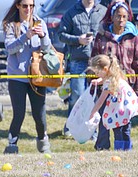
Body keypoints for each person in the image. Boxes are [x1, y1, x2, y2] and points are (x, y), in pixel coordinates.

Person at [2, 0, 51, 154]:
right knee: (19, 113)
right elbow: (9, 48)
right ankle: (12, 145)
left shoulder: (40, 22)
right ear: (18, 6)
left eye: (31, 6)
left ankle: (43, 143)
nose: (28, 9)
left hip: (37, 76)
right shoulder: (11, 25)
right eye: (24, 6)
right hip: (17, 76)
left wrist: (42, 36)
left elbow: (48, 48)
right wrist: (26, 36)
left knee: (39, 114)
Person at [91, 1, 138, 151]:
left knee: (124, 123)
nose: (121, 20)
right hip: (107, 86)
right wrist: (96, 79)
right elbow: (94, 60)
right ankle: (102, 148)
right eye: (118, 16)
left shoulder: (133, 38)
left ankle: (124, 149)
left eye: (124, 17)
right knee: (104, 119)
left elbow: (136, 62)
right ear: (112, 17)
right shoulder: (102, 37)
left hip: (125, 88)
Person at [57, 0, 107, 136]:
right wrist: (78, 40)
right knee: (77, 95)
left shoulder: (103, 11)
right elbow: (61, 35)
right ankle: (71, 127)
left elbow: (109, 32)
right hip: (77, 60)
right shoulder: (72, 12)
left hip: (98, 62)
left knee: (95, 97)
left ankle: (92, 129)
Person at [89, 54, 138, 150]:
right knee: (125, 129)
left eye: (97, 72)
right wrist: (98, 81)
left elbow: (100, 101)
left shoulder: (108, 83)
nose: (96, 75)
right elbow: (104, 78)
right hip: (127, 107)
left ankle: (119, 150)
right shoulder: (115, 75)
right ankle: (128, 149)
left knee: (118, 130)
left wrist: (92, 112)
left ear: (105, 69)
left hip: (119, 109)